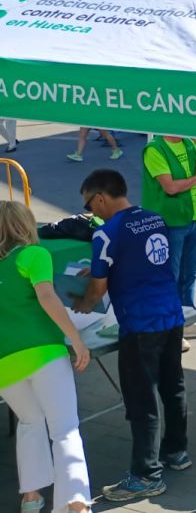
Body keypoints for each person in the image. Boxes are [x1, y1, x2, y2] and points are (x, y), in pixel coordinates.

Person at [75, 169, 190, 500]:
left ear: (100, 197)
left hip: (140, 324)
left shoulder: (106, 233)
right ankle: (176, 452)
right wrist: (101, 267)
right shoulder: (154, 219)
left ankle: (146, 474)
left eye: (89, 204)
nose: (90, 212)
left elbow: (97, 293)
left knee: (141, 399)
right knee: (173, 385)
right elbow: (145, 260)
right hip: (171, 312)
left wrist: (83, 302)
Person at [0, 201, 92, 513]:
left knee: (30, 422)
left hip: (4, 363)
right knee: (65, 428)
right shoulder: (33, 255)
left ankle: (31, 498)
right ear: (24, 225)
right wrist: (76, 339)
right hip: (44, 352)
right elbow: (47, 296)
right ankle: (74, 502)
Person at [141, 135, 196, 314]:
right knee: (171, 273)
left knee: (190, 272)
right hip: (171, 220)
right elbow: (171, 187)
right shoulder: (155, 149)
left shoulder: (190, 144)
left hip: (195, 218)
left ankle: (187, 312)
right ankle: (170, 315)